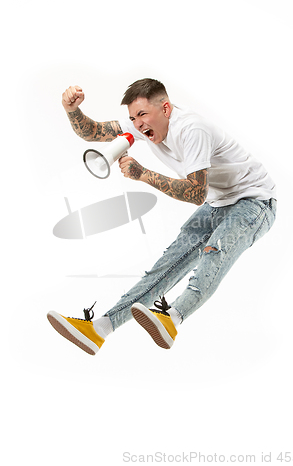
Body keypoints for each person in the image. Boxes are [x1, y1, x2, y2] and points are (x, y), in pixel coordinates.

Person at [47, 78, 277, 355]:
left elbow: (195, 194)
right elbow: (92, 132)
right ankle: (99, 329)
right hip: (218, 203)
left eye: (143, 114)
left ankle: (173, 318)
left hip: (255, 201)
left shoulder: (192, 129)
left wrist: (143, 174)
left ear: (165, 108)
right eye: (133, 117)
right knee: (167, 264)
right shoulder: (142, 127)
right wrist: (71, 109)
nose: (138, 123)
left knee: (215, 250)